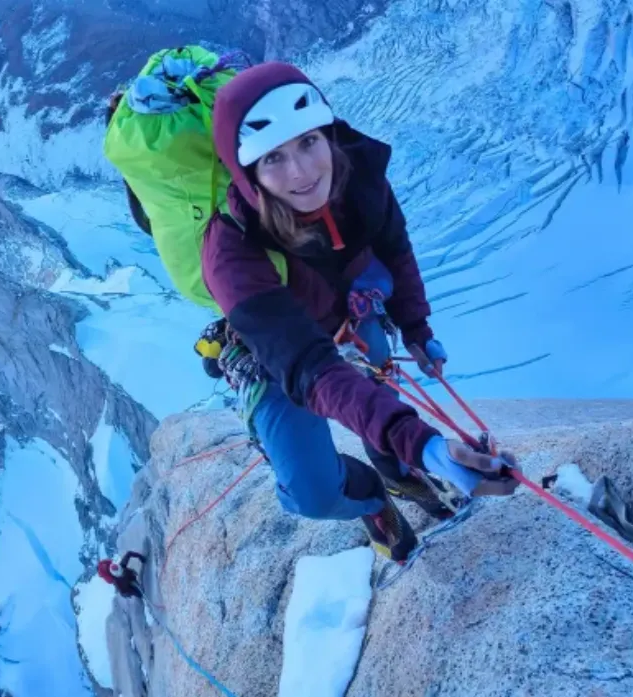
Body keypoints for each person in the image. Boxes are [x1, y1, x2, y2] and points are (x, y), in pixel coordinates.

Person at [201, 61, 520, 562]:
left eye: (308, 142)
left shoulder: (359, 178)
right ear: (249, 175)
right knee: (313, 493)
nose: (303, 173)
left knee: (382, 419)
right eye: (274, 158)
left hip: (353, 317)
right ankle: (372, 497)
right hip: (281, 357)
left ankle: (397, 472)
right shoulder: (230, 252)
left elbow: (393, 246)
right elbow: (308, 366)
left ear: (328, 133)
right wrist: (426, 443)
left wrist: (416, 326)